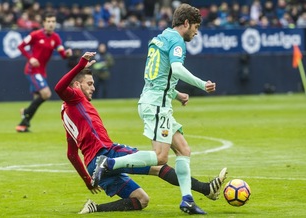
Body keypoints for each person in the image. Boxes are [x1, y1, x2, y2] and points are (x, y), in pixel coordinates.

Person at [93, 3, 227, 215]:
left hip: (156, 101)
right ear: (186, 23)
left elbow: (158, 77)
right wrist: (202, 84)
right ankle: (109, 163)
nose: (196, 32)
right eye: (196, 27)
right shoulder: (177, 41)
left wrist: (176, 94)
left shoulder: (160, 38)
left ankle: (187, 200)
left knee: (183, 150)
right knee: (161, 157)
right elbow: (176, 68)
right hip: (156, 106)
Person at [54, 52, 227, 214]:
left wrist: (88, 179)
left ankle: (94, 208)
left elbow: (72, 154)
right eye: (89, 84)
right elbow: (59, 87)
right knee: (159, 165)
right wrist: (81, 64)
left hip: (93, 166)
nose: (93, 88)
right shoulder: (74, 97)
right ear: (76, 85)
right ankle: (206, 189)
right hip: (106, 153)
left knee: (141, 200)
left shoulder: (67, 114)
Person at [15, 12, 72, 132]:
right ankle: (25, 112)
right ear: (44, 23)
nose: (51, 24)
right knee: (46, 94)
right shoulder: (35, 35)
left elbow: (62, 54)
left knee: (36, 100)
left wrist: (66, 54)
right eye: (48, 21)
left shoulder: (55, 38)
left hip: (42, 72)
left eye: (53, 22)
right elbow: (20, 46)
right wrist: (31, 58)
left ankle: (23, 125)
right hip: (32, 70)